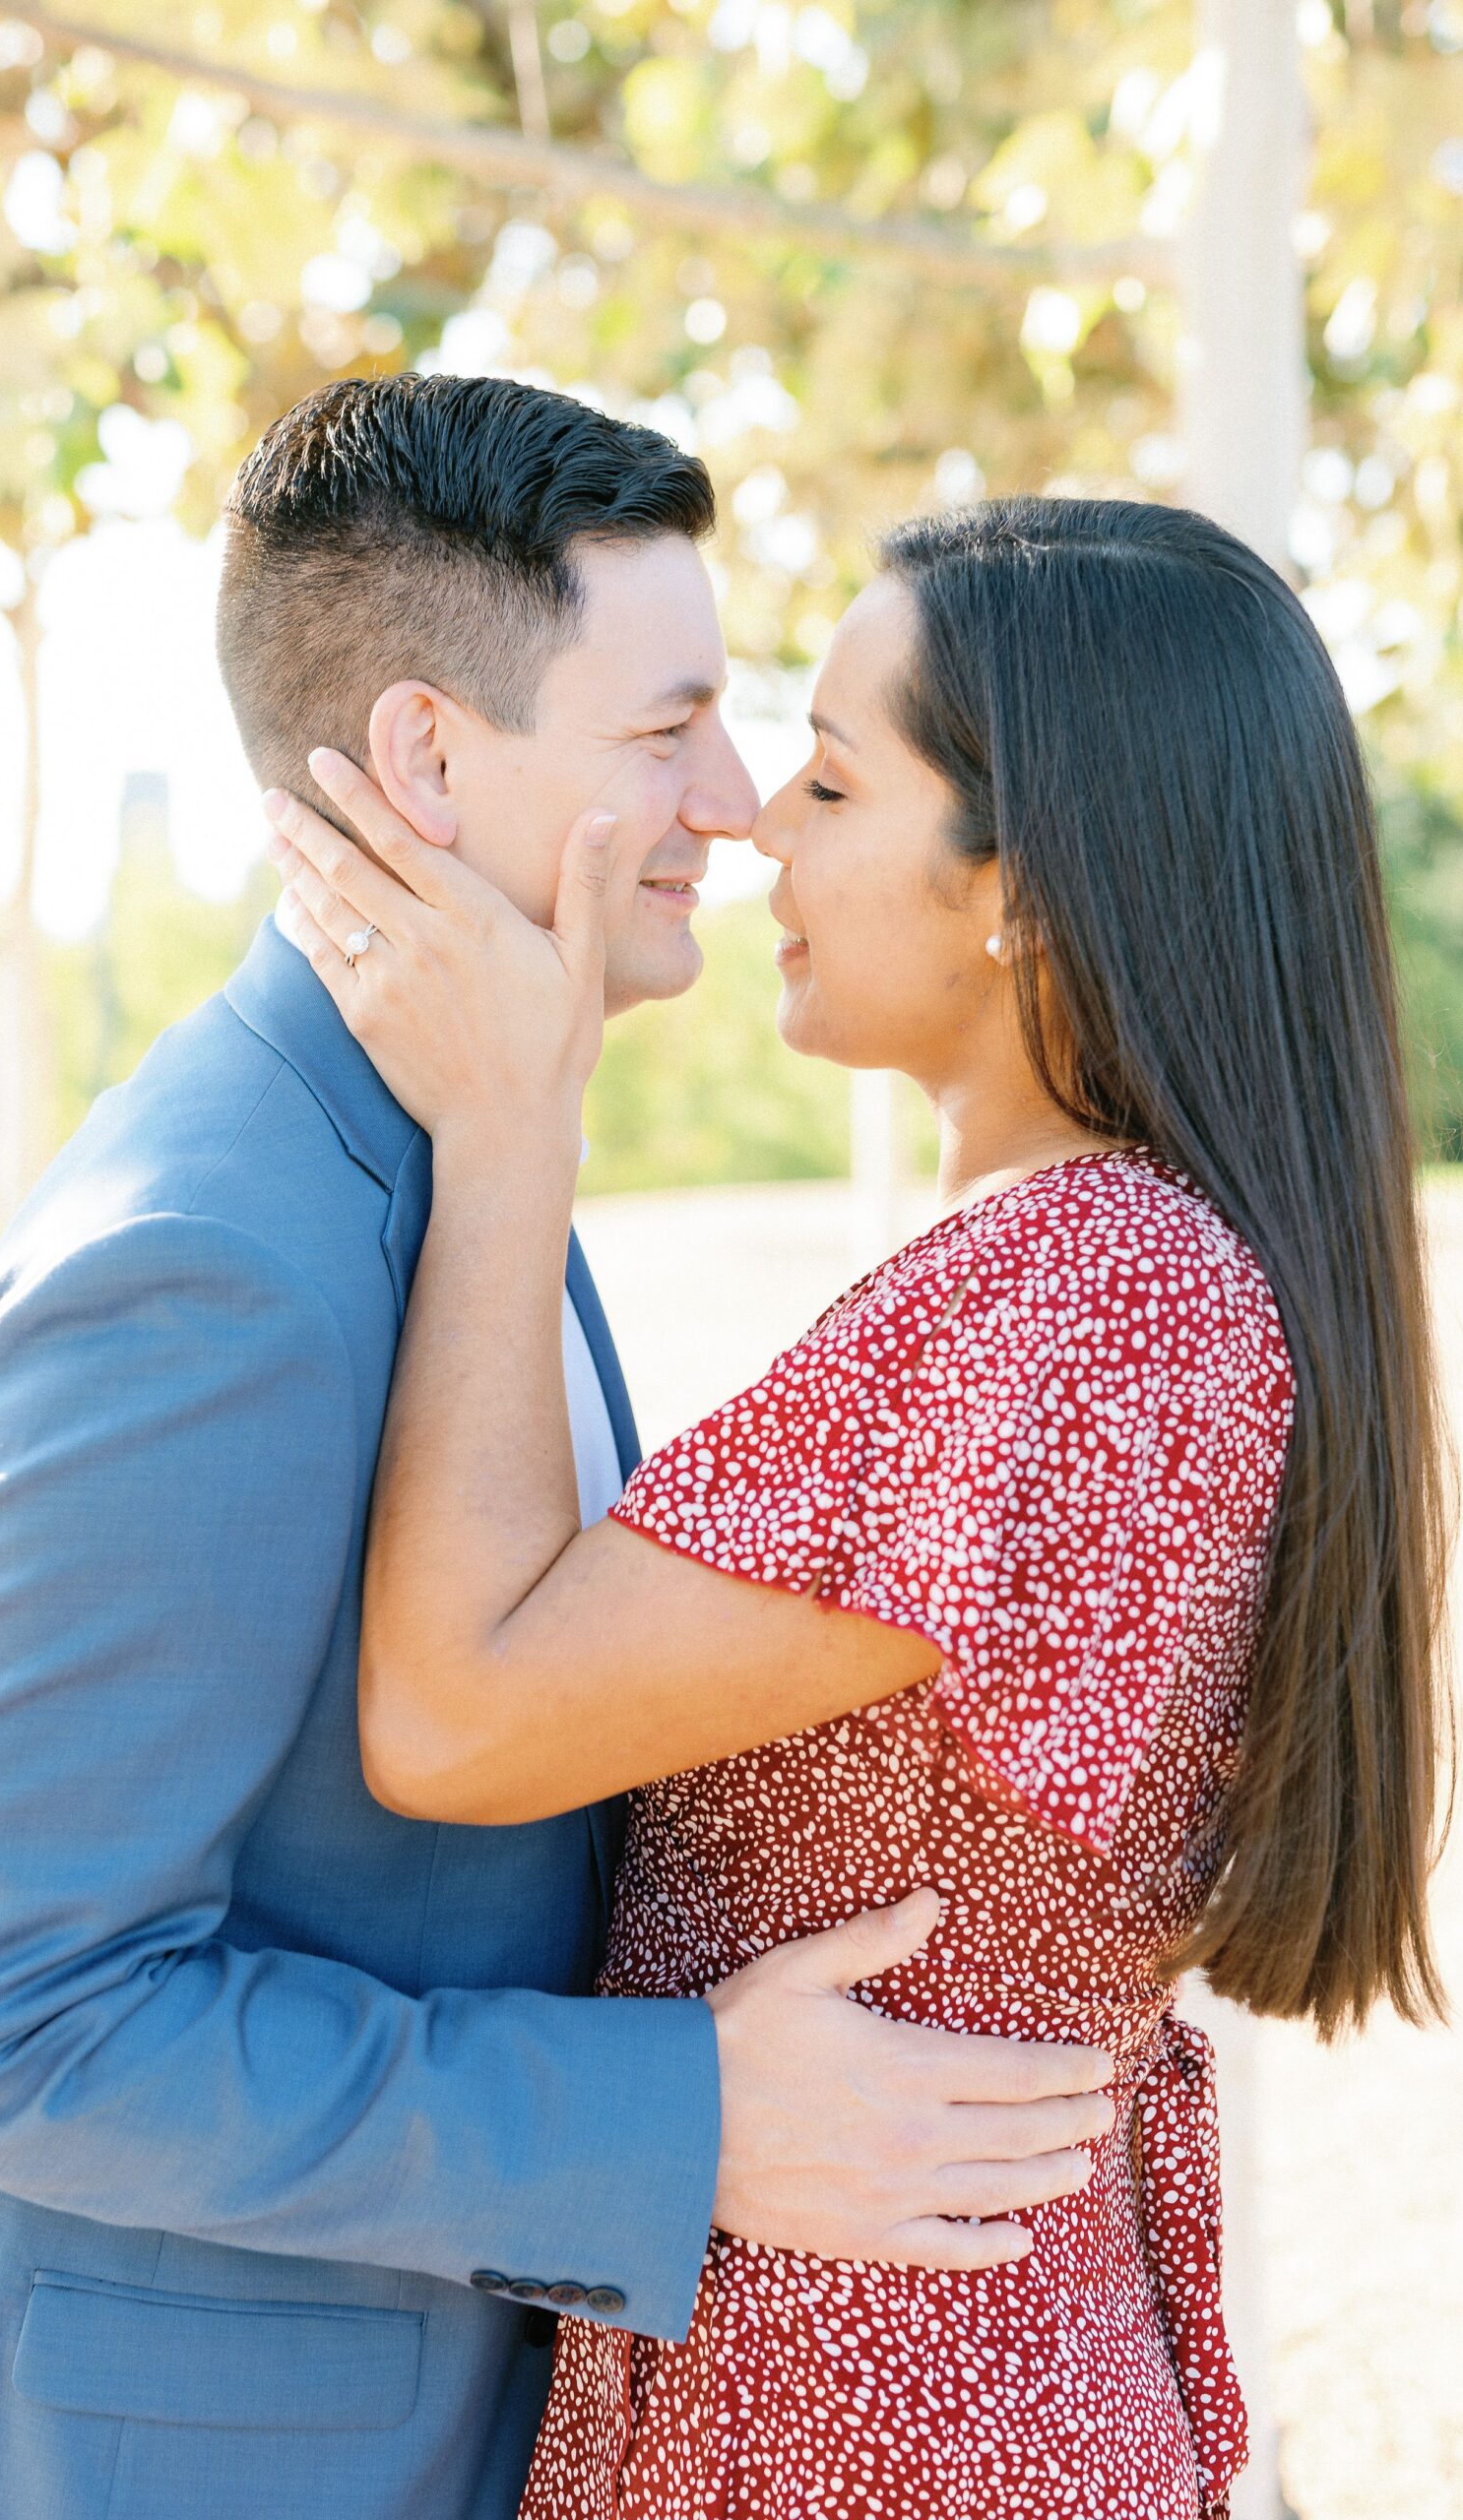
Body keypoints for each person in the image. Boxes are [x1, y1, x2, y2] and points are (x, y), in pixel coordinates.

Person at [0, 383, 1114, 2520]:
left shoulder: (459, 1136)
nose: (730, 801)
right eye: (666, 729)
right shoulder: (213, 1258)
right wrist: (684, 2111)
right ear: (430, 757)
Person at [269, 493, 1451, 2520]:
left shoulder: (1092, 1295)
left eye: (830, 774)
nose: (752, 826)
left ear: (1033, 881)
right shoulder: (1092, 1266)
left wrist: (510, 1123)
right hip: (899, 2371)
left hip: (881, 2411)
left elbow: (457, 1713)